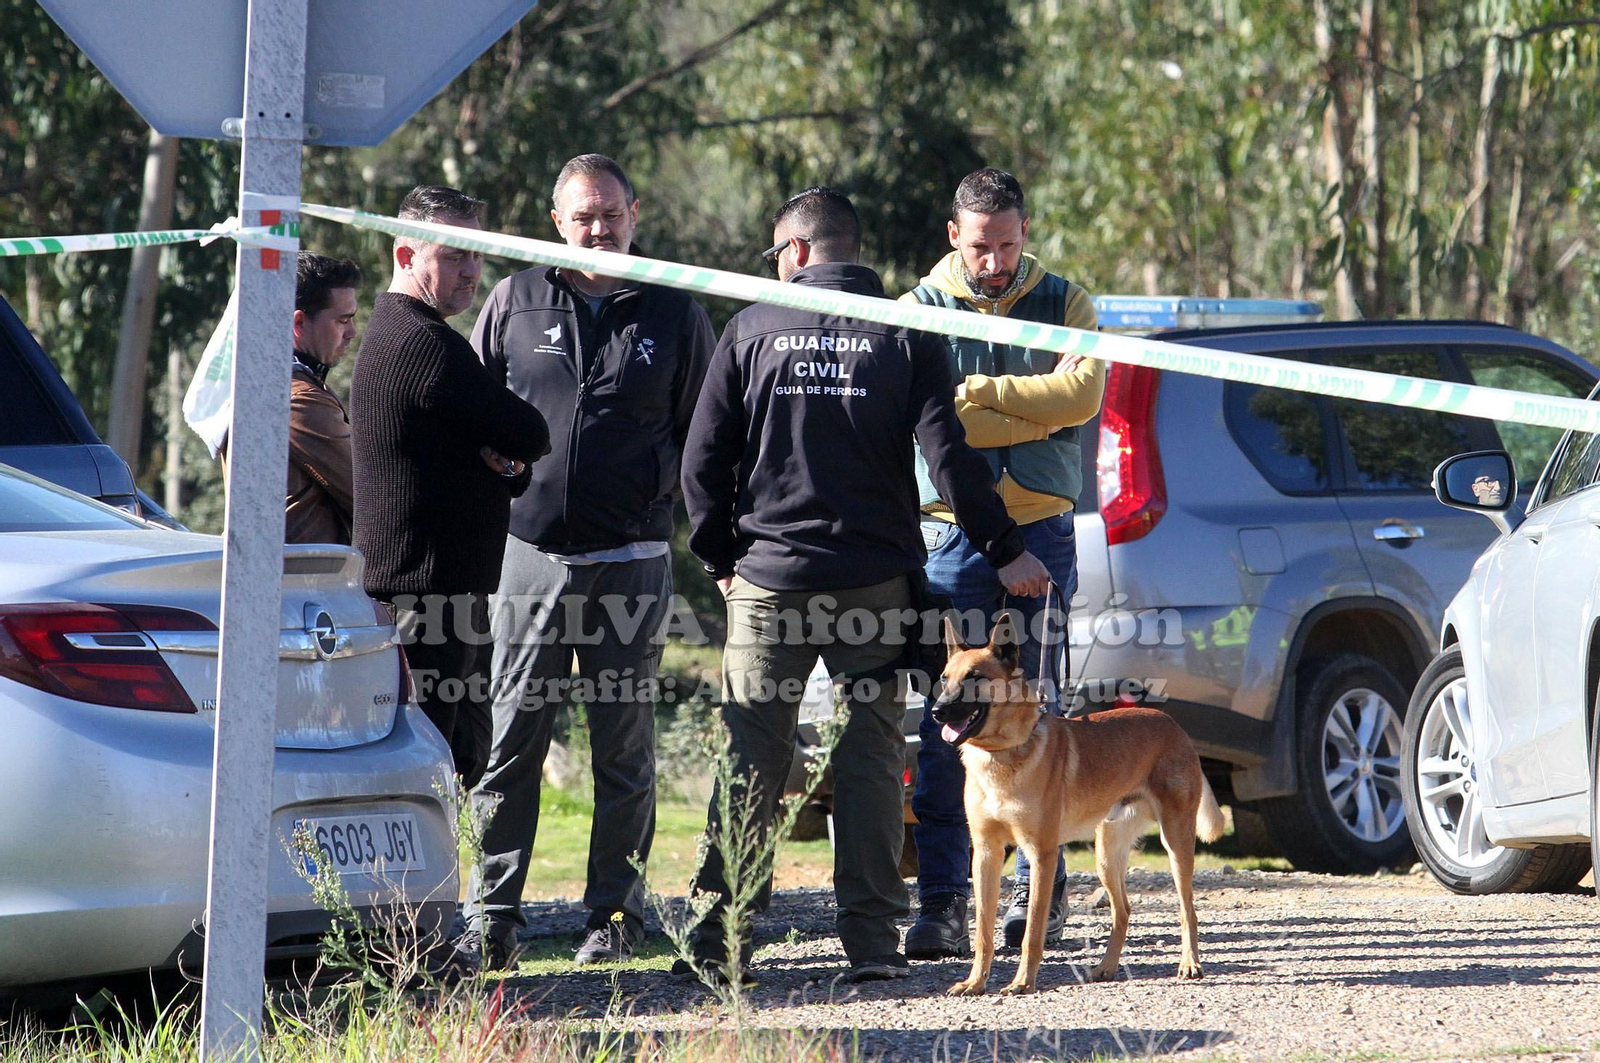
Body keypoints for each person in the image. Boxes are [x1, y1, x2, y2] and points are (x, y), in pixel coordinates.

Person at [679, 187, 1049, 985]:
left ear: (799, 252)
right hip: (874, 584)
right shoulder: (906, 331)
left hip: (769, 581)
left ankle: (721, 938)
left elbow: (701, 462)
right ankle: (874, 942)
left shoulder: (748, 328)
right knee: (872, 754)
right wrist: (1007, 548)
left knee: (752, 752)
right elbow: (951, 460)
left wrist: (719, 559)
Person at [463, 155, 715, 969]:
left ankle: (615, 913)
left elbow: (705, 434)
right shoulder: (511, 299)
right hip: (526, 556)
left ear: (635, 214)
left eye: (610, 214)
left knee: (624, 748)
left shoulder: (675, 310)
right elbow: (468, 412)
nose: (598, 228)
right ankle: (491, 916)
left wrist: (668, 508)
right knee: (509, 741)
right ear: (555, 218)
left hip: (633, 559)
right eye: (583, 216)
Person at [901, 167, 1105, 960]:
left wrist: (980, 392)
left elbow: (1081, 398)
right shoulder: (918, 308)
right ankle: (945, 901)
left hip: (1043, 533)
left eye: (1009, 245)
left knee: (1034, 720)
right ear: (955, 235)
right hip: (951, 535)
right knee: (945, 716)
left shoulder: (1069, 301)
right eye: (981, 246)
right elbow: (932, 422)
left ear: (1028, 234)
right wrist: (1029, 398)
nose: (995, 261)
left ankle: (1036, 900)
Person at [349, 185, 551, 796]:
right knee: (429, 764)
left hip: (438, 593)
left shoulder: (413, 333)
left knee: (455, 757)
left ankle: (436, 892)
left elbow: (513, 451)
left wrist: (508, 468)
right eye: (454, 255)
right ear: (406, 256)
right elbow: (529, 430)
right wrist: (513, 456)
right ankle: (417, 895)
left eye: (476, 256)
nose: (471, 272)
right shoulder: (421, 342)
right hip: (423, 597)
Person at [284, 253, 361, 544]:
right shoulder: (299, 400)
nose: (352, 333)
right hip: (303, 580)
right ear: (299, 323)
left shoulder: (292, 385)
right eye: (343, 321)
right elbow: (368, 493)